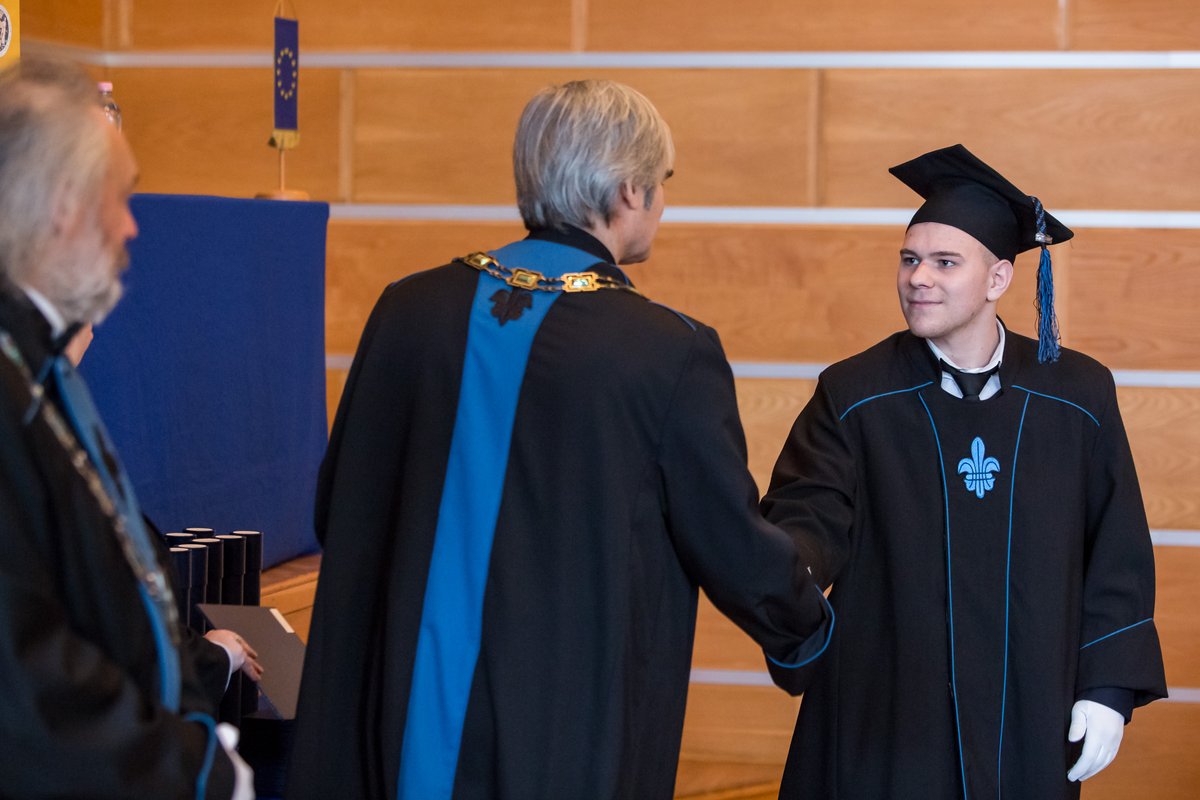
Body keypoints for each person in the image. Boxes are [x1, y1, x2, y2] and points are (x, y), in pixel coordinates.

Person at [289, 79, 833, 800]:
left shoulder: (406, 309)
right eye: (663, 182)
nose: (662, 203)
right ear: (631, 188)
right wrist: (814, 629)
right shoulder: (667, 350)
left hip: (391, 708)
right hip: (560, 725)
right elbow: (730, 543)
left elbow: (341, 507)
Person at [762, 143, 1167, 798]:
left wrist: (1107, 687)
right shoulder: (856, 394)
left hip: (1030, 705)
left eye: (945, 262)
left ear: (999, 279)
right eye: (909, 259)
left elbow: (1116, 551)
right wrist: (789, 566)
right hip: (889, 708)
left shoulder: (1075, 397)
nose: (919, 277)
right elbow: (808, 513)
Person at [0, 57, 254, 798]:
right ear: (63, 207)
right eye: (121, 196)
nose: (132, 226)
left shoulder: (34, 362)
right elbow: (25, 666)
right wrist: (193, 771)